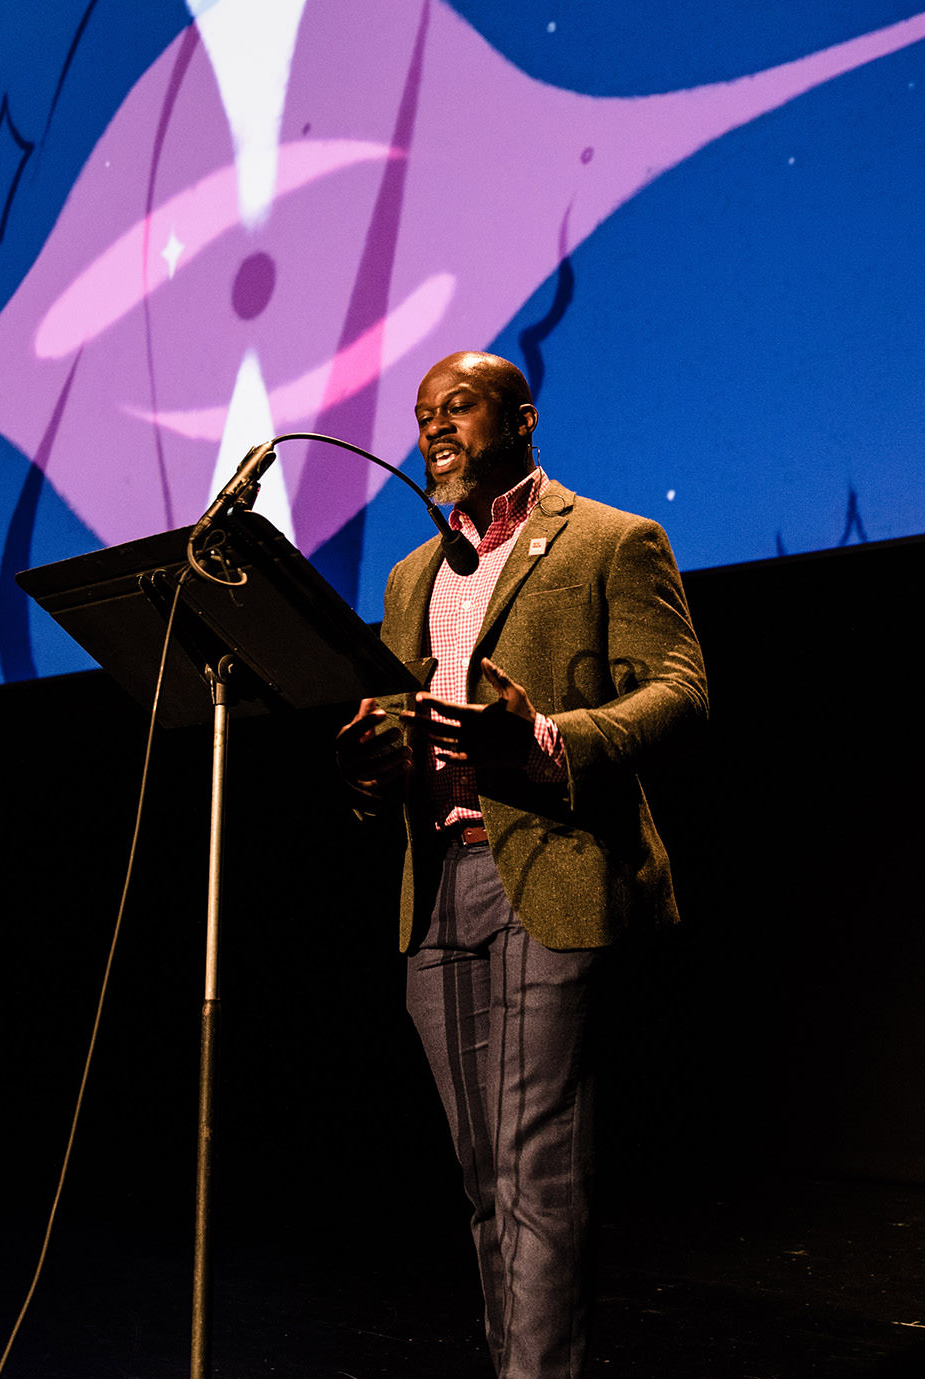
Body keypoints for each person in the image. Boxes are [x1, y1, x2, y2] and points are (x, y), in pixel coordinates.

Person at [334, 351, 708, 1379]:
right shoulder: (410, 575)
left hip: (550, 864)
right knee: (482, 1172)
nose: (434, 430)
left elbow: (680, 691)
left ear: (521, 418)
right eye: (422, 417)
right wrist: (370, 764)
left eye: (456, 406)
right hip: (439, 881)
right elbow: (401, 734)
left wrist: (546, 737)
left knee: (537, 1163)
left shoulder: (609, 539)